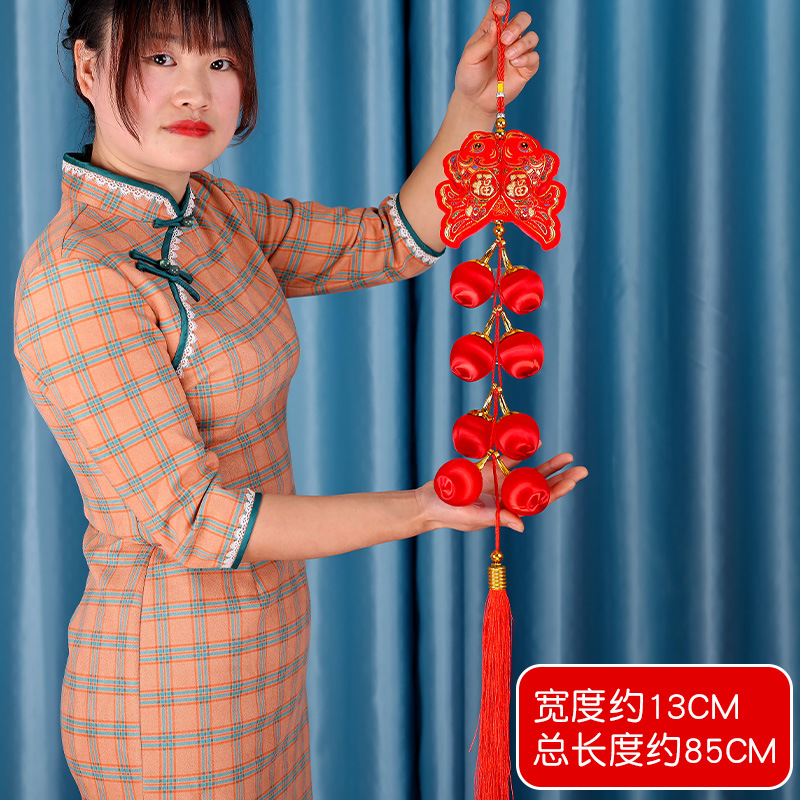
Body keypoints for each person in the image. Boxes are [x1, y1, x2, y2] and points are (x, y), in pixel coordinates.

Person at [13, 0, 588, 797]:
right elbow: (194, 519)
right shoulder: (77, 275)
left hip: (264, 654)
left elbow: (386, 240)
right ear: (87, 67)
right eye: (160, 59)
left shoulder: (212, 211)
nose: (194, 91)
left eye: (219, 62)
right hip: (168, 685)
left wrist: (470, 102)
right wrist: (424, 508)